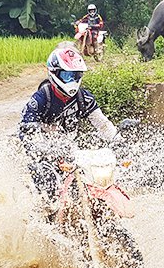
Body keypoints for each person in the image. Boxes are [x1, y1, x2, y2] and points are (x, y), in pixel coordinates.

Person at [18, 43, 122, 199]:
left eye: (76, 75)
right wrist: (43, 149)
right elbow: (27, 132)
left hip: (71, 151)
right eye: (67, 75)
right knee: (47, 186)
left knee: (102, 179)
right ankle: (42, 216)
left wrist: (119, 141)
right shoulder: (40, 99)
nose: (72, 80)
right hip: (45, 153)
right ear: (54, 73)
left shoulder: (83, 98)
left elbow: (102, 124)